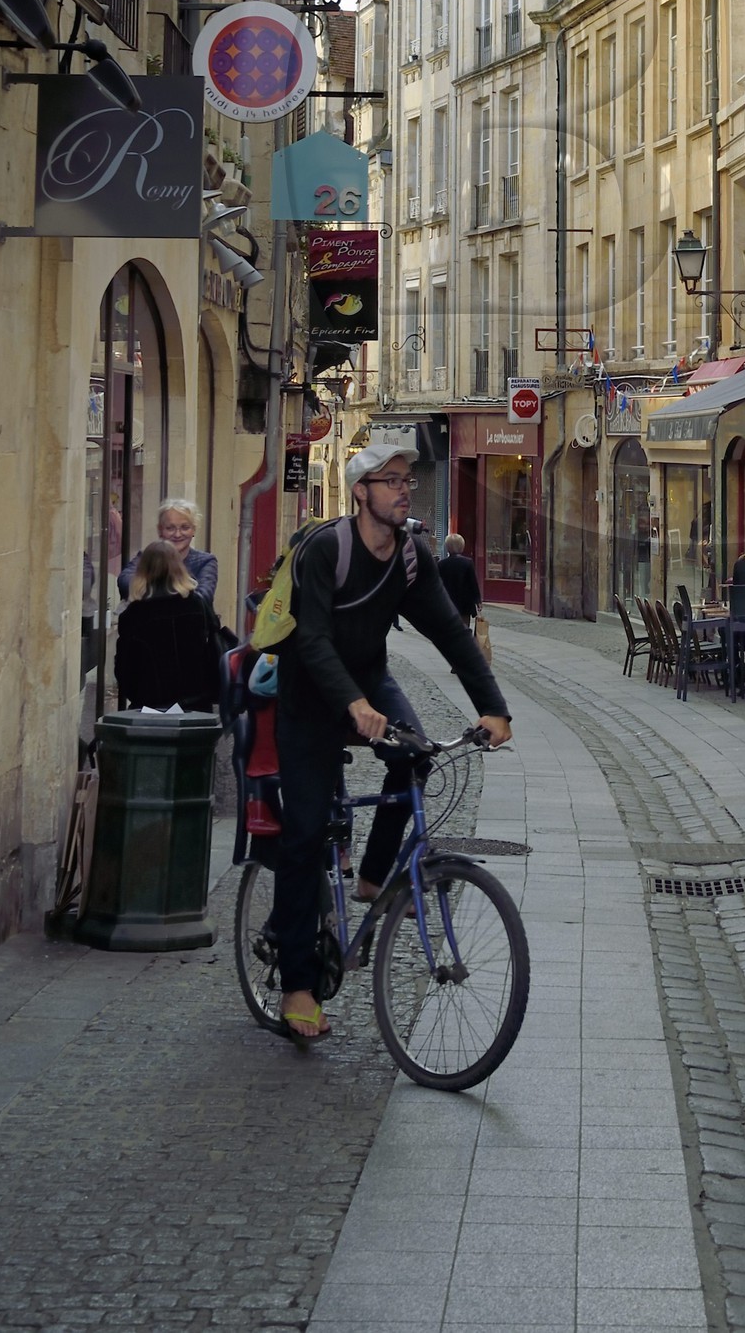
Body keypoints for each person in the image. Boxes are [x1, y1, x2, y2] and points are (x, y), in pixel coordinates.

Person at [268, 439, 512, 1046]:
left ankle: (373, 880)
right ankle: (298, 986)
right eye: (390, 480)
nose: (404, 488)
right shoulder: (329, 549)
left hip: (370, 679)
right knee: (302, 837)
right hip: (309, 694)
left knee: (417, 756)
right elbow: (315, 640)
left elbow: (450, 635)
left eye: (406, 479)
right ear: (360, 492)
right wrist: (352, 705)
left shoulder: (410, 556)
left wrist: (493, 707)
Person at [114, 541, 222, 713]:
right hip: (197, 704)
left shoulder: (133, 614)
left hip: (150, 706)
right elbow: (213, 651)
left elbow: (124, 668)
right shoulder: (197, 605)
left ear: (143, 571)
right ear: (179, 567)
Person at [119, 499, 218, 605]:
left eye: (185, 528)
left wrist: (151, 592)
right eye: (170, 528)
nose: (177, 534)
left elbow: (204, 596)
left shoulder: (205, 561)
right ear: (160, 530)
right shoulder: (146, 556)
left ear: (194, 529)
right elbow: (124, 581)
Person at [438, 530, 482, 625]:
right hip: (464, 603)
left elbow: (438, 584)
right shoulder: (467, 562)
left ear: (447, 547)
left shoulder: (441, 564)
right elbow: (473, 583)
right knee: (464, 627)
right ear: (462, 546)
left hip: (447, 602)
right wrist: (477, 600)